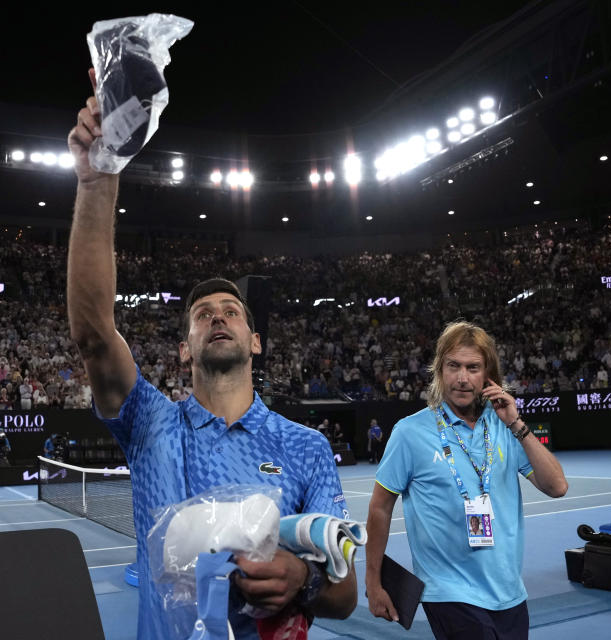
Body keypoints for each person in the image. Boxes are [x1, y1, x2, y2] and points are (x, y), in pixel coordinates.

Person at [66, 68, 357, 640]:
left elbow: (346, 594)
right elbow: (95, 334)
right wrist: (97, 180)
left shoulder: (307, 447)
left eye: (232, 311)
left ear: (255, 341)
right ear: (184, 350)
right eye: (202, 315)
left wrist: (303, 577)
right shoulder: (151, 424)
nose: (217, 315)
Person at [366, 321, 568, 640]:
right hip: (448, 592)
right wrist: (373, 583)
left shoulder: (504, 427)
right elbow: (379, 509)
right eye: (453, 366)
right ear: (439, 370)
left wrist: (515, 422)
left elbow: (557, 487)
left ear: (488, 374)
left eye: (473, 368)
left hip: (509, 591)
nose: (462, 378)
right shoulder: (410, 432)